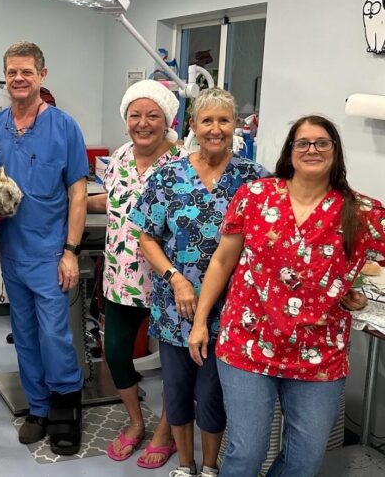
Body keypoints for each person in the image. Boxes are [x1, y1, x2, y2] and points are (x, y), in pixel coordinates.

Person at [190, 115, 385, 477]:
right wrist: (200, 321)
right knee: (247, 452)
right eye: (303, 143)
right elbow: (222, 261)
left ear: (335, 151)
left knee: (305, 459)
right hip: (248, 342)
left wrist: (353, 288)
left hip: (318, 352)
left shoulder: (362, 211)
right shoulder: (256, 196)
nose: (312, 149)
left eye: (322, 142)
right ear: (290, 151)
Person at [129, 88, 269, 477]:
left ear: (236, 126)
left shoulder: (254, 179)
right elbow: (146, 236)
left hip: (231, 309)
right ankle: (185, 465)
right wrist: (175, 278)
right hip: (177, 306)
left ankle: (209, 467)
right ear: (192, 126)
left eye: (224, 120)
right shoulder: (169, 175)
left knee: (212, 393)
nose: (215, 128)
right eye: (207, 120)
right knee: (176, 391)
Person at [0, 41, 87, 455]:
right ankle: (37, 408)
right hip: (13, 253)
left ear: (42, 74)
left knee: (55, 335)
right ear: (5, 77)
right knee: (22, 334)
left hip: (51, 253)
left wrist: (71, 250)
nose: (18, 79)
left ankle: (66, 407)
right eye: (12, 72)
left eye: (26, 71)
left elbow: (77, 194)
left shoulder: (64, 126)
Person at [87, 80, 184, 468]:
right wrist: (65, 202)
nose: (143, 123)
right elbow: (109, 201)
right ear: (126, 120)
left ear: (167, 121)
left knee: (175, 364)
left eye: (152, 116)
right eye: (135, 115)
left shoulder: (183, 163)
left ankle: (165, 431)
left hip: (169, 280)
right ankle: (135, 421)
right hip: (121, 275)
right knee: (116, 353)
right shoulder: (122, 156)